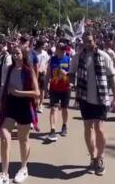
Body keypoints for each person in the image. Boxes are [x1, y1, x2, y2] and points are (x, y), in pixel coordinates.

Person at [69, 31, 115, 176]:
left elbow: (112, 77)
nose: (86, 43)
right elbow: (71, 72)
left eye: (89, 41)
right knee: (88, 128)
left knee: (99, 129)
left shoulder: (104, 56)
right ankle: (93, 157)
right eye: (84, 41)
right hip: (84, 98)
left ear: (95, 40)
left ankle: (100, 158)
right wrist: (70, 82)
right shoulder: (78, 56)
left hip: (101, 99)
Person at [0, 46, 39, 184]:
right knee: (4, 135)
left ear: (24, 55)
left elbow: (36, 93)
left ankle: (24, 168)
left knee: (23, 139)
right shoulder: (10, 69)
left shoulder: (29, 70)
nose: (15, 55)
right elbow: (4, 87)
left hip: (24, 105)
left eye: (17, 53)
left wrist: (20, 93)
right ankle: (4, 174)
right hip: (11, 105)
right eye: (13, 53)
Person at [46, 42, 71, 141]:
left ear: (63, 50)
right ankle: (52, 130)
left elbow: (73, 74)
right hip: (54, 88)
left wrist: (66, 73)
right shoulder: (52, 59)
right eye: (57, 47)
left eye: (59, 48)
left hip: (65, 88)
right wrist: (45, 86)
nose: (56, 49)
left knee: (64, 109)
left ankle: (64, 125)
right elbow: (48, 73)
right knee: (53, 108)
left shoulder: (69, 59)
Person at [34, 40, 49, 113]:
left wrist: (45, 69)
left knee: (42, 89)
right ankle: (35, 104)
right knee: (34, 88)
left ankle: (40, 104)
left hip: (42, 73)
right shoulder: (33, 52)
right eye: (43, 45)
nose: (44, 46)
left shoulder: (45, 53)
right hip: (34, 73)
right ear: (40, 45)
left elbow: (47, 62)